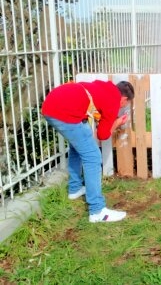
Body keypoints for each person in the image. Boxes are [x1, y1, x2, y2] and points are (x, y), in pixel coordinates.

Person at [42, 80, 134, 223]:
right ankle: (97, 211)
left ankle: (75, 188)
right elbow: (103, 135)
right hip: (63, 112)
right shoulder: (114, 101)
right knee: (93, 157)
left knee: (78, 145)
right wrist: (116, 122)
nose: (122, 107)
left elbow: (94, 106)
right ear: (124, 99)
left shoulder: (104, 88)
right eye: (126, 104)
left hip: (52, 105)